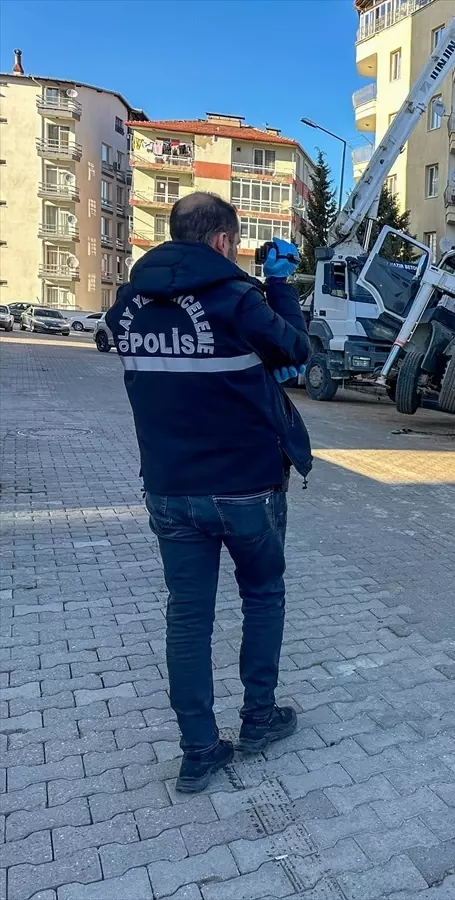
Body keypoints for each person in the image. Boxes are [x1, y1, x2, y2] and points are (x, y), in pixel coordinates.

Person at [105, 192, 312, 792]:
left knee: (188, 618)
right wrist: (280, 285)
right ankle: (258, 718)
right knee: (263, 595)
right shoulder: (237, 299)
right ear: (223, 241)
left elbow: (123, 348)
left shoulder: (129, 304)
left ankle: (199, 750)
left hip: (170, 489)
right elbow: (296, 350)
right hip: (246, 487)